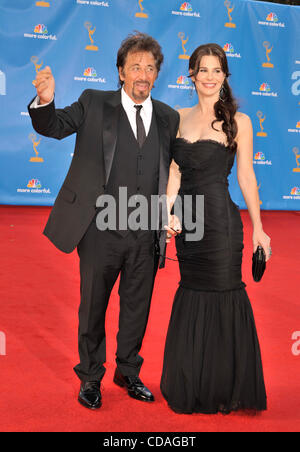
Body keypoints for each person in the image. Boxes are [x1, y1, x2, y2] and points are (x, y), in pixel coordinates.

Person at [28, 32, 179, 410]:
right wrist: (45, 101)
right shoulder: (94, 102)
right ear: (121, 72)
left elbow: (175, 171)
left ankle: (127, 370)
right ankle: (91, 377)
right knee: (93, 305)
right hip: (100, 228)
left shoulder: (168, 117)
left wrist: (174, 214)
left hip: (146, 230)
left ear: (157, 74)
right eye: (135, 67)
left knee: (137, 306)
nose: (142, 74)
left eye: (150, 67)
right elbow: (54, 126)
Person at [161, 43, 271, 415]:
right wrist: (166, 213)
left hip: (222, 224)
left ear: (225, 76)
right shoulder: (176, 117)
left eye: (216, 70)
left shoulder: (238, 121)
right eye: (202, 70)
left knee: (224, 292)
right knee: (192, 291)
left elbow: (246, 177)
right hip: (189, 225)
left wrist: (259, 228)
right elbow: (174, 172)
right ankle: (194, 382)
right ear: (191, 74)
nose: (209, 77)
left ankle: (224, 385)